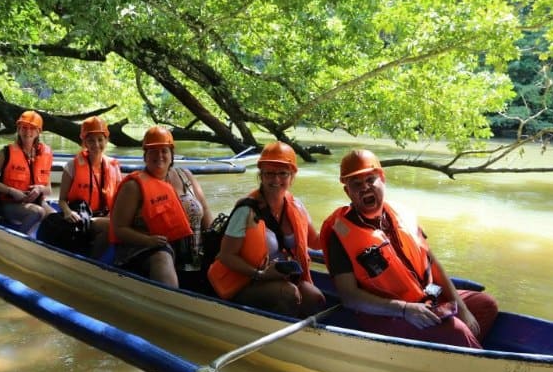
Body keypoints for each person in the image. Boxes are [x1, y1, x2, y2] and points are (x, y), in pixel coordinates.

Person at [319, 149, 498, 348]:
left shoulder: (402, 214)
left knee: (486, 305)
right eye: (356, 184)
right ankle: (469, 355)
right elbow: (350, 298)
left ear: (382, 179)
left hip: (427, 296)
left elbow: (432, 263)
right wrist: (405, 309)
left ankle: (451, 355)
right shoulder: (340, 234)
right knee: (456, 330)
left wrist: (462, 307)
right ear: (347, 191)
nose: (365, 188)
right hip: (385, 314)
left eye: (370, 180)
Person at [208, 141, 326, 317]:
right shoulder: (246, 210)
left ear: (292, 176)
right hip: (246, 281)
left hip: (280, 278)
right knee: (289, 294)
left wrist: (339, 222)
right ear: (261, 175)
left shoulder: (296, 206)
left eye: (283, 174)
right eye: (270, 173)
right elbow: (226, 256)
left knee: (315, 298)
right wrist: (260, 274)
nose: (276, 180)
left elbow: (316, 242)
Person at [109, 126, 211, 286]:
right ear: (145, 156)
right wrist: (148, 241)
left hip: (191, 252)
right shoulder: (133, 187)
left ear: (172, 154)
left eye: (164, 150)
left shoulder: (186, 176)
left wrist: (216, 243)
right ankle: (170, 302)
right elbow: (119, 228)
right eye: (153, 151)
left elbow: (205, 212)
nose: (159, 156)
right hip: (148, 249)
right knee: (163, 257)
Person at [53, 116, 122, 255]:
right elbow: (61, 200)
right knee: (112, 227)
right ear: (84, 142)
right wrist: (68, 212)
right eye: (91, 140)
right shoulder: (72, 166)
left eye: (100, 139)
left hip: (105, 216)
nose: (96, 144)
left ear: (106, 140)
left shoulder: (114, 166)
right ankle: (90, 262)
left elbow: (119, 201)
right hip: (81, 217)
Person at [0, 110, 56, 234]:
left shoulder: (46, 154)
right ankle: (21, 242)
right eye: (24, 128)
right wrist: (12, 191)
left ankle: (45, 244)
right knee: (37, 212)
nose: (27, 132)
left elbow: (49, 189)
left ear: (39, 131)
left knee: (54, 218)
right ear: (19, 129)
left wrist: (39, 189)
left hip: (36, 202)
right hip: (9, 204)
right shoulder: (6, 152)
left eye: (32, 128)